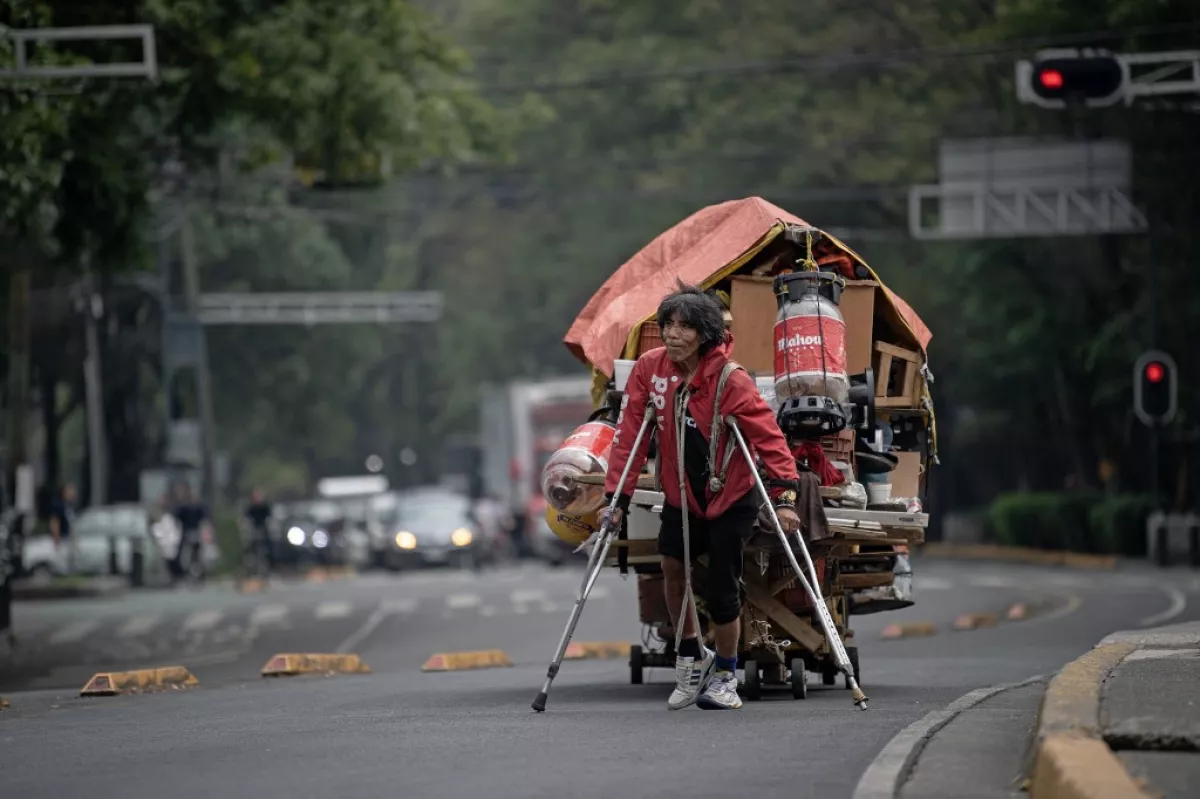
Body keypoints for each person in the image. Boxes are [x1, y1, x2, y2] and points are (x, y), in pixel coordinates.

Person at [604, 283, 801, 711]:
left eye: (684, 327)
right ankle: (692, 655)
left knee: (721, 587)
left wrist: (784, 495)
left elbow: (768, 439)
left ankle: (726, 674)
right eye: (668, 325)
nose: (672, 335)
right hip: (680, 494)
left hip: (730, 495)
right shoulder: (649, 370)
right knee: (672, 568)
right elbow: (630, 437)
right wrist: (615, 498)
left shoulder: (732, 380)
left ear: (705, 335)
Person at [243, 489, 275, 572]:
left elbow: (270, 519)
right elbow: (246, 520)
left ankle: (269, 564)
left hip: (264, 531)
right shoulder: (250, 508)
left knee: (268, 547)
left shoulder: (265, 508)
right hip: (253, 531)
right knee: (249, 547)